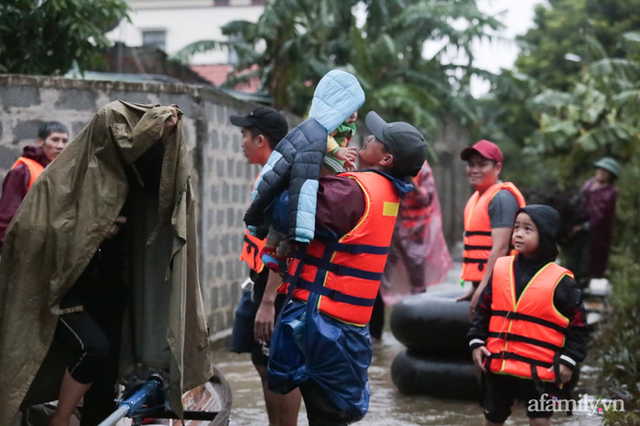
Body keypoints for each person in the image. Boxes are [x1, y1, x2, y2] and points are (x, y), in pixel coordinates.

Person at [267, 111, 428, 425]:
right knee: (332, 414)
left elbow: (287, 211)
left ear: (386, 159)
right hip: (348, 328)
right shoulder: (388, 192)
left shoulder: (354, 191)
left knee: (324, 413)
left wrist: (296, 168)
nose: (369, 136)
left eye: (377, 138)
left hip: (320, 324)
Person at [468, 205, 588, 426]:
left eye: (527, 229)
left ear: (545, 236)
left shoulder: (562, 281)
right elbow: (483, 310)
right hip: (500, 365)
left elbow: (579, 325)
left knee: (540, 420)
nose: (518, 233)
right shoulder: (501, 268)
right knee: (492, 418)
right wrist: (476, 341)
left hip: (541, 370)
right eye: (516, 227)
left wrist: (568, 361)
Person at [229, 106, 302, 426]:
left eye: (245, 136)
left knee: (280, 367)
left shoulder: (280, 178)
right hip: (259, 281)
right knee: (264, 363)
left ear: (261, 139)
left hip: (276, 287)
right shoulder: (270, 173)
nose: (241, 142)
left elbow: (284, 241)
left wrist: (269, 301)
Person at [371, 160, 453, 340]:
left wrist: (411, 182)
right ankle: (375, 334)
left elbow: (426, 197)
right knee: (377, 278)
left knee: (417, 282)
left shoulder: (421, 168)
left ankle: (420, 331)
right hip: (390, 229)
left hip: (415, 234)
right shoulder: (386, 163)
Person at [456, 140, 526, 314]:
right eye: (471, 165)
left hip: (500, 286)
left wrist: (484, 287)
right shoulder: (478, 197)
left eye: (482, 165)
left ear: (497, 168)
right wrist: (475, 287)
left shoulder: (501, 198)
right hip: (488, 283)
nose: (474, 170)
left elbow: (500, 248)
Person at [0, 122, 69, 251]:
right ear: (40, 141)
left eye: (64, 141)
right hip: (25, 247)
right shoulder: (23, 170)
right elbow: (7, 212)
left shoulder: (59, 171)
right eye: (54, 140)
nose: (60, 146)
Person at [567, 157, 619, 284]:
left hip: (595, 233)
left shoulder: (609, 193)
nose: (600, 173)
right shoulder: (589, 184)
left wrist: (583, 227)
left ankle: (583, 286)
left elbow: (601, 217)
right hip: (578, 228)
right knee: (573, 259)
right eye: (599, 170)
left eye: (605, 172)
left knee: (589, 262)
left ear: (610, 176)